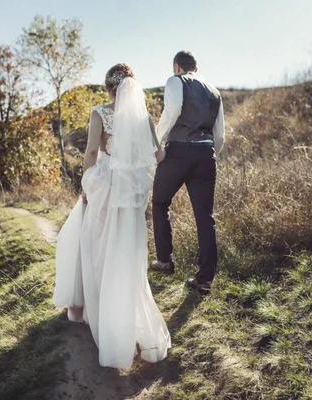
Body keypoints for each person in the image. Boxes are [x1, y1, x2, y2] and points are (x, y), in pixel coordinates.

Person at [53, 63, 171, 369]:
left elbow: (91, 152)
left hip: (105, 188)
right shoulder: (142, 116)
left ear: (109, 88)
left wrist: (84, 185)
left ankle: (102, 316)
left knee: (99, 250)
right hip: (132, 196)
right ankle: (127, 322)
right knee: (127, 255)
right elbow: (158, 155)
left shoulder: (100, 112)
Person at [150, 51, 225, 295]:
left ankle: (165, 261)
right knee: (205, 217)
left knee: (160, 202)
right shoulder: (214, 91)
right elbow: (220, 134)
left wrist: (157, 142)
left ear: (177, 67)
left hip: (178, 152)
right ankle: (204, 279)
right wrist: (210, 153)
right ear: (196, 67)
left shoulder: (176, 81)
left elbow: (172, 109)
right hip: (206, 156)